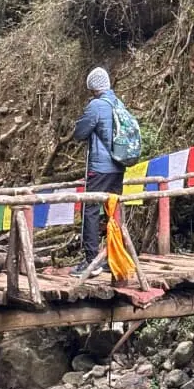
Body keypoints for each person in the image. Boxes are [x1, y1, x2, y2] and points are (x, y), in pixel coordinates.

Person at [71, 66, 125, 275]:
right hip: (118, 167)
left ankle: (91, 261)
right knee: (113, 211)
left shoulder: (96, 105)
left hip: (100, 168)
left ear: (93, 87)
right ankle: (115, 258)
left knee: (90, 210)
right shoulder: (118, 103)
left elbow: (80, 132)